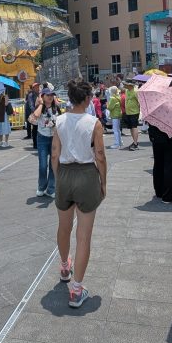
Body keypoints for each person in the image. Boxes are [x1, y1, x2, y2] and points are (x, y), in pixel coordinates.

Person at [51, 79, 106, 308]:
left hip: (64, 173)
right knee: (83, 235)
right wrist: (103, 181)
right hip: (85, 175)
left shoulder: (59, 121)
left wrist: (58, 178)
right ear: (86, 99)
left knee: (64, 226)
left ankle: (65, 266)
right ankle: (76, 289)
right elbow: (100, 155)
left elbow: (55, 153)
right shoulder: (94, 123)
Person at [29, 86, 62, 198]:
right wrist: (42, 104)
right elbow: (35, 116)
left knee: (53, 165)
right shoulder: (40, 107)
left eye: (52, 95)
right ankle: (41, 187)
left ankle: (51, 189)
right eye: (48, 95)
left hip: (54, 138)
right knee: (43, 165)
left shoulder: (56, 108)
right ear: (42, 96)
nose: (51, 97)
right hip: (42, 138)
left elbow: (60, 121)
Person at [148, 123, 172, 203]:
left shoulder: (154, 110)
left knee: (158, 164)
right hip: (170, 137)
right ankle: (168, 196)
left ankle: (159, 191)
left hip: (156, 136)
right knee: (170, 167)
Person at [122, 77, 140, 150]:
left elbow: (140, 101)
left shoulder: (135, 91)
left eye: (125, 84)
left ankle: (135, 144)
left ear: (129, 85)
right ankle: (134, 142)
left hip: (134, 112)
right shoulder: (127, 91)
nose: (124, 85)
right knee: (131, 128)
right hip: (128, 112)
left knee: (134, 127)